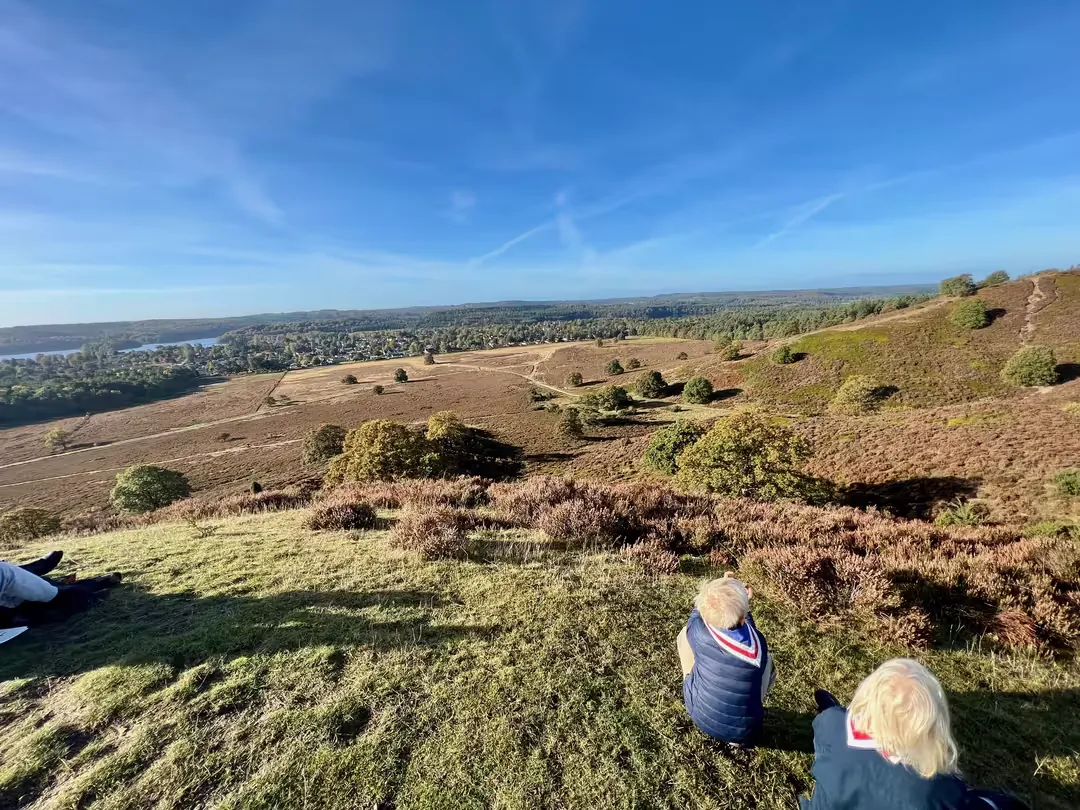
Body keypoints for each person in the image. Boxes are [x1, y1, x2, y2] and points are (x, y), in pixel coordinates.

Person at [801, 659, 1029, 810]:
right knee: (996, 804)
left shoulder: (831, 724)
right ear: (930, 728)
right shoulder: (938, 787)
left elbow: (828, 730)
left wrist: (837, 714)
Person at [677, 573, 775, 744]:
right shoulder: (758, 644)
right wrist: (744, 603)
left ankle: (690, 680)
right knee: (766, 661)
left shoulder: (698, 632)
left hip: (699, 713)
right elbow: (746, 630)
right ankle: (741, 726)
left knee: (683, 636)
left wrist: (722, 589)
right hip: (745, 732)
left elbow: (695, 615)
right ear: (743, 618)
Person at [0, 551, 121, 629]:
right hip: (13, 598)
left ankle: (94, 590)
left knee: (61, 598)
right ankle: (43, 565)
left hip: (20, 590)